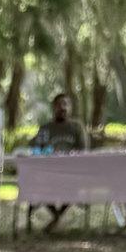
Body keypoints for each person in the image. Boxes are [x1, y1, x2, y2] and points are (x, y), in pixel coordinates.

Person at [28, 93, 88, 232]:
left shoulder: (77, 128)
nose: (62, 108)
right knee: (38, 184)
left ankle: (56, 219)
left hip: (72, 173)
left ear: (70, 108)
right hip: (49, 173)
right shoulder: (46, 128)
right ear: (53, 107)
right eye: (59, 104)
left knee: (74, 185)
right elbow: (35, 147)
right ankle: (57, 217)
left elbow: (83, 150)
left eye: (65, 104)